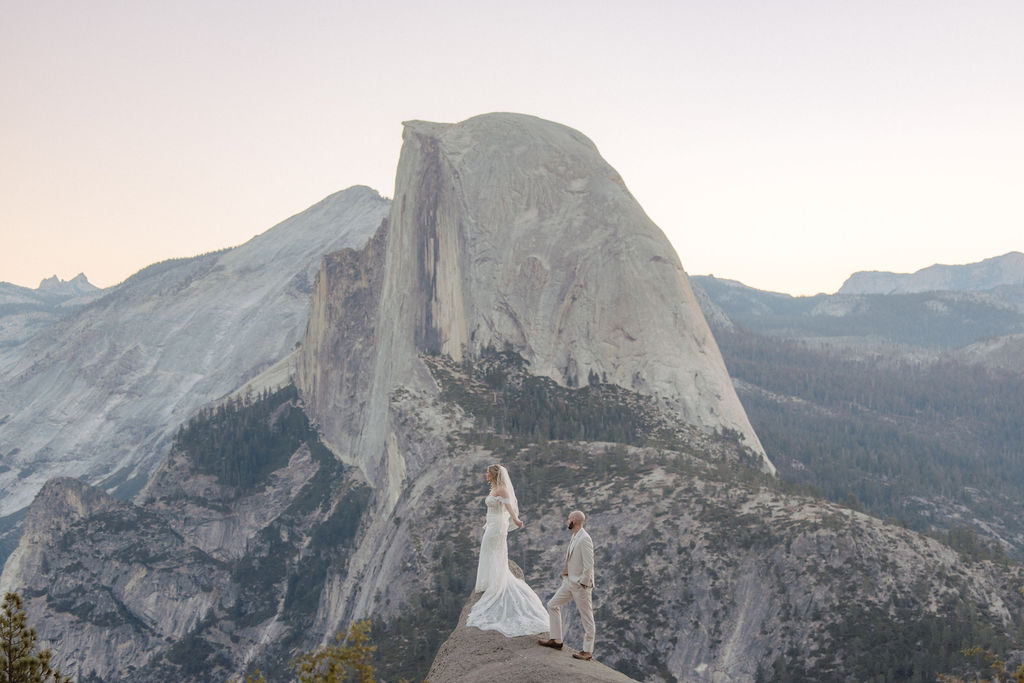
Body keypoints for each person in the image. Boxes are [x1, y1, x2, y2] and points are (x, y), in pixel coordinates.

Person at [465, 464, 549, 637]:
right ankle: (490, 579)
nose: (485, 474)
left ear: (495, 474)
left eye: (488, 472)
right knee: (489, 551)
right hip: (493, 524)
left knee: (493, 551)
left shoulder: (502, 489)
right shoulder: (495, 488)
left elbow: (509, 507)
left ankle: (495, 581)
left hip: (497, 526)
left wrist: (517, 520)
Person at [538, 509, 596, 661]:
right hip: (569, 582)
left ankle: (587, 651)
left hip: (580, 585)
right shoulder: (575, 536)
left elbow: (589, 565)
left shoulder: (585, 539)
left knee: (587, 618)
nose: (567, 521)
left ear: (574, 520)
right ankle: (556, 640)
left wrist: (582, 583)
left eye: (569, 518)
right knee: (552, 605)